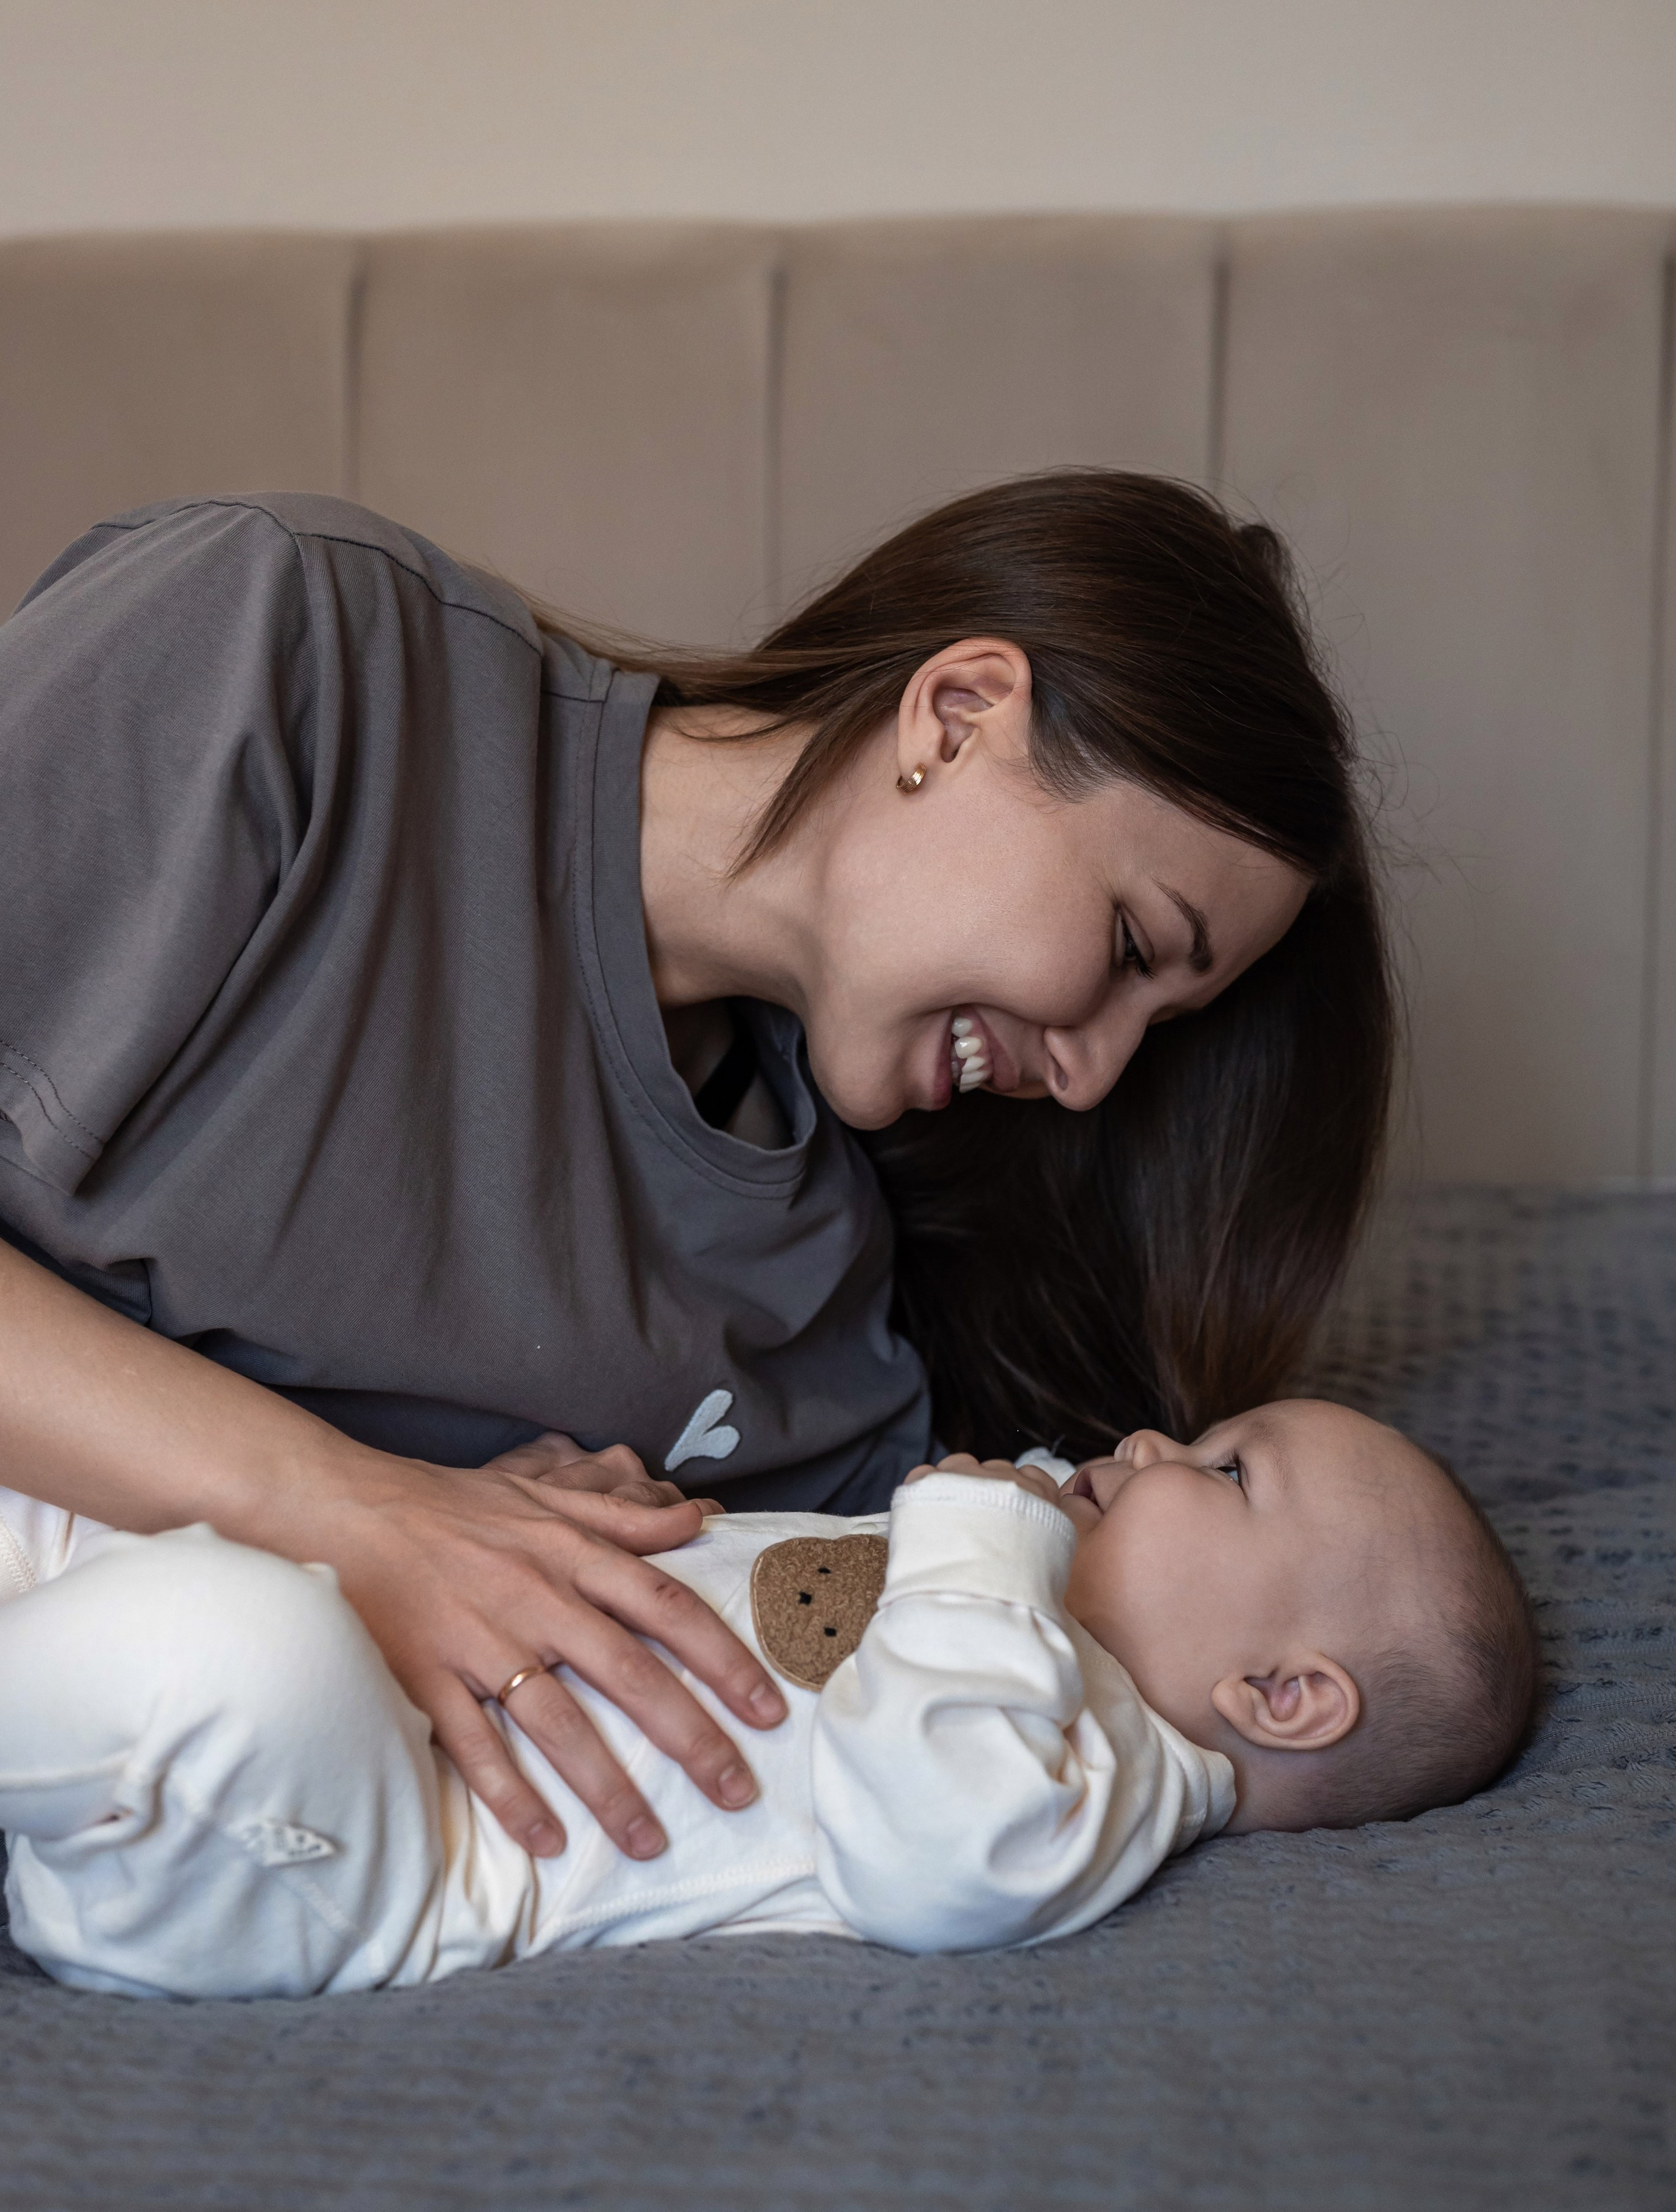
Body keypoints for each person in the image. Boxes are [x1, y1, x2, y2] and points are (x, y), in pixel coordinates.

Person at [0, 474, 1392, 1872]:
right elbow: (378, 1541)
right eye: (1134, 949)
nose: (1091, 1074)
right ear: (959, 714)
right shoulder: (290, 648)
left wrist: (566, 1529)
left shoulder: (817, 1340)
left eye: (1154, 1035)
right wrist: (341, 1504)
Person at [0, 1399, 1539, 1997]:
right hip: (394, 1676)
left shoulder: (1108, 1767)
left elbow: (940, 1857)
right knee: (76, 1498)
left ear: (1277, 1695)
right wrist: (541, 1517)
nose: (1143, 1436)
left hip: (370, 1859)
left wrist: (980, 1542)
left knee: (222, 1647)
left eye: (1219, 1468)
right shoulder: (1011, 1614)